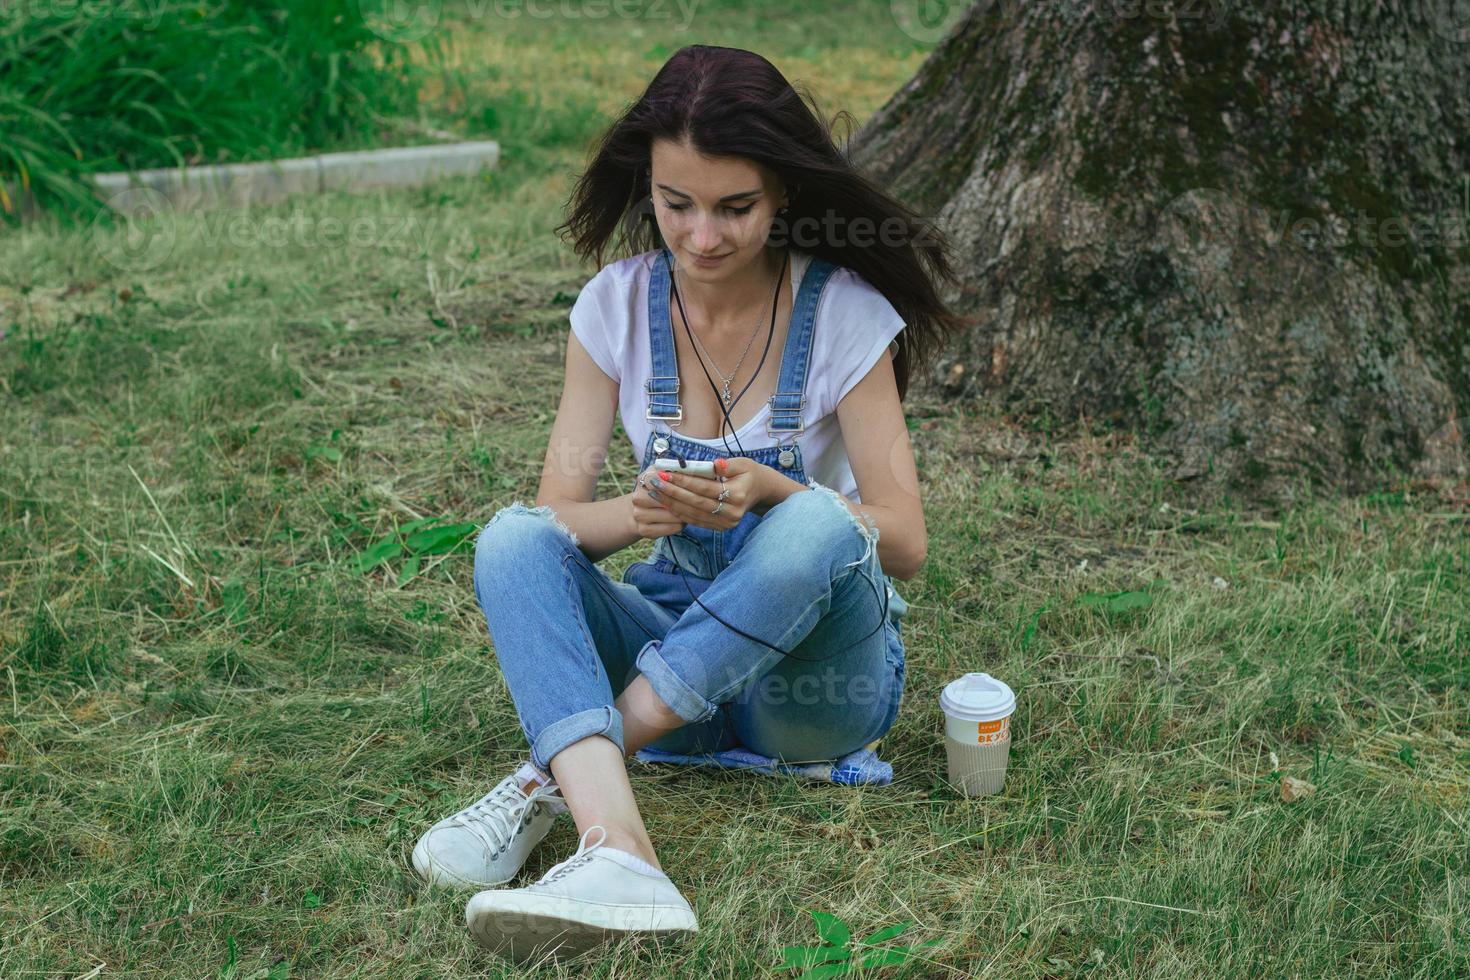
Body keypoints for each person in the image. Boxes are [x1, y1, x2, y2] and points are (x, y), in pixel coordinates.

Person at [410, 44, 967, 962]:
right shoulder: (614, 308)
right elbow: (561, 523)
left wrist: (779, 491)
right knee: (512, 538)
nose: (703, 237)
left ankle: (552, 783)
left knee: (822, 520)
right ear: (649, 189)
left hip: (808, 697)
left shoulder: (847, 313)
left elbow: (903, 540)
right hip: (677, 658)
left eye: (735, 208)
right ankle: (618, 850)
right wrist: (639, 516)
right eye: (677, 206)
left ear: (782, 192)